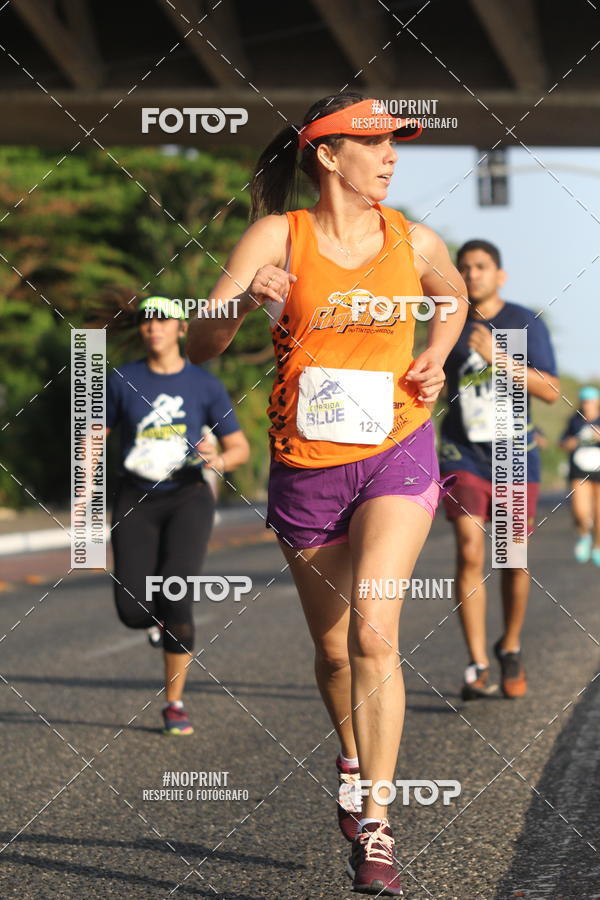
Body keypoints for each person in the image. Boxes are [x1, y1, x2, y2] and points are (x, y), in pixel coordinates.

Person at [187, 92, 467, 896]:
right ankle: (349, 755)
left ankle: (377, 824)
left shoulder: (413, 238)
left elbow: (451, 298)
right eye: (374, 144)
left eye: (394, 146)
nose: (390, 157)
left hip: (398, 452)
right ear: (327, 154)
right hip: (307, 466)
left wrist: (439, 355)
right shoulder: (279, 236)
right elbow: (205, 342)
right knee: (337, 651)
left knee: (378, 637)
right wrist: (245, 298)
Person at [103, 293, 249, 735]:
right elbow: (96, 435)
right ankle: (157, 622)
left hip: (188, 497)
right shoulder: (120, 379)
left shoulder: (204, 385)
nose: (153, 327)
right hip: (135, 497)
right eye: (146, 321)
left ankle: (175, 703)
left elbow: (238, 447)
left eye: (163, 320)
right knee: (131, 610)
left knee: (175, 591)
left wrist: (216, 462)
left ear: (181, 328)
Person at [439, 240, 559, 702]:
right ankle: (477, 663)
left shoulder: (523, 322)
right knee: (470, 549)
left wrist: (497, 358)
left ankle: (509, 645)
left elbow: (549, 390)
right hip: (461, 451)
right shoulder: (450, 322)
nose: (472, 275)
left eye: (481, 267)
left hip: (513, 452)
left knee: (512, 557)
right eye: (464, 267)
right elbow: (434, 382)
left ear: (499, 275)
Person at [560, 385, 600, 565]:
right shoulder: (575, 421)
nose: (587, 405)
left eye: (590, 401)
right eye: (584, 401)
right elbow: (562, 442)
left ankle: (598, 546)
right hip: (579, 470)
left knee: (599, 514)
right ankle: (584, 535)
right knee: (581, 510)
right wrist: (571, 442)